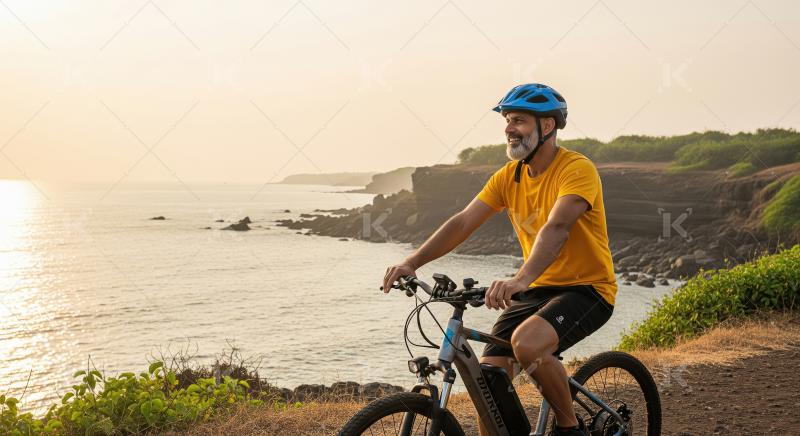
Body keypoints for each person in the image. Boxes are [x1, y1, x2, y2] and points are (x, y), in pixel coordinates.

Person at [382, 83, 617, 436]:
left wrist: (519, 279)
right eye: (507, 120)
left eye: (518, 120)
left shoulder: (575, 168)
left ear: (547, 125)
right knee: (489, 379)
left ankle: (569, 429)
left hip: (587, 290)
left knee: (528, 344)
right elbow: (463, 222)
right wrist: (413, 262)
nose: (508, 128)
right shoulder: (510, 176)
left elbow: (557, 227)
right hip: (536, 291)